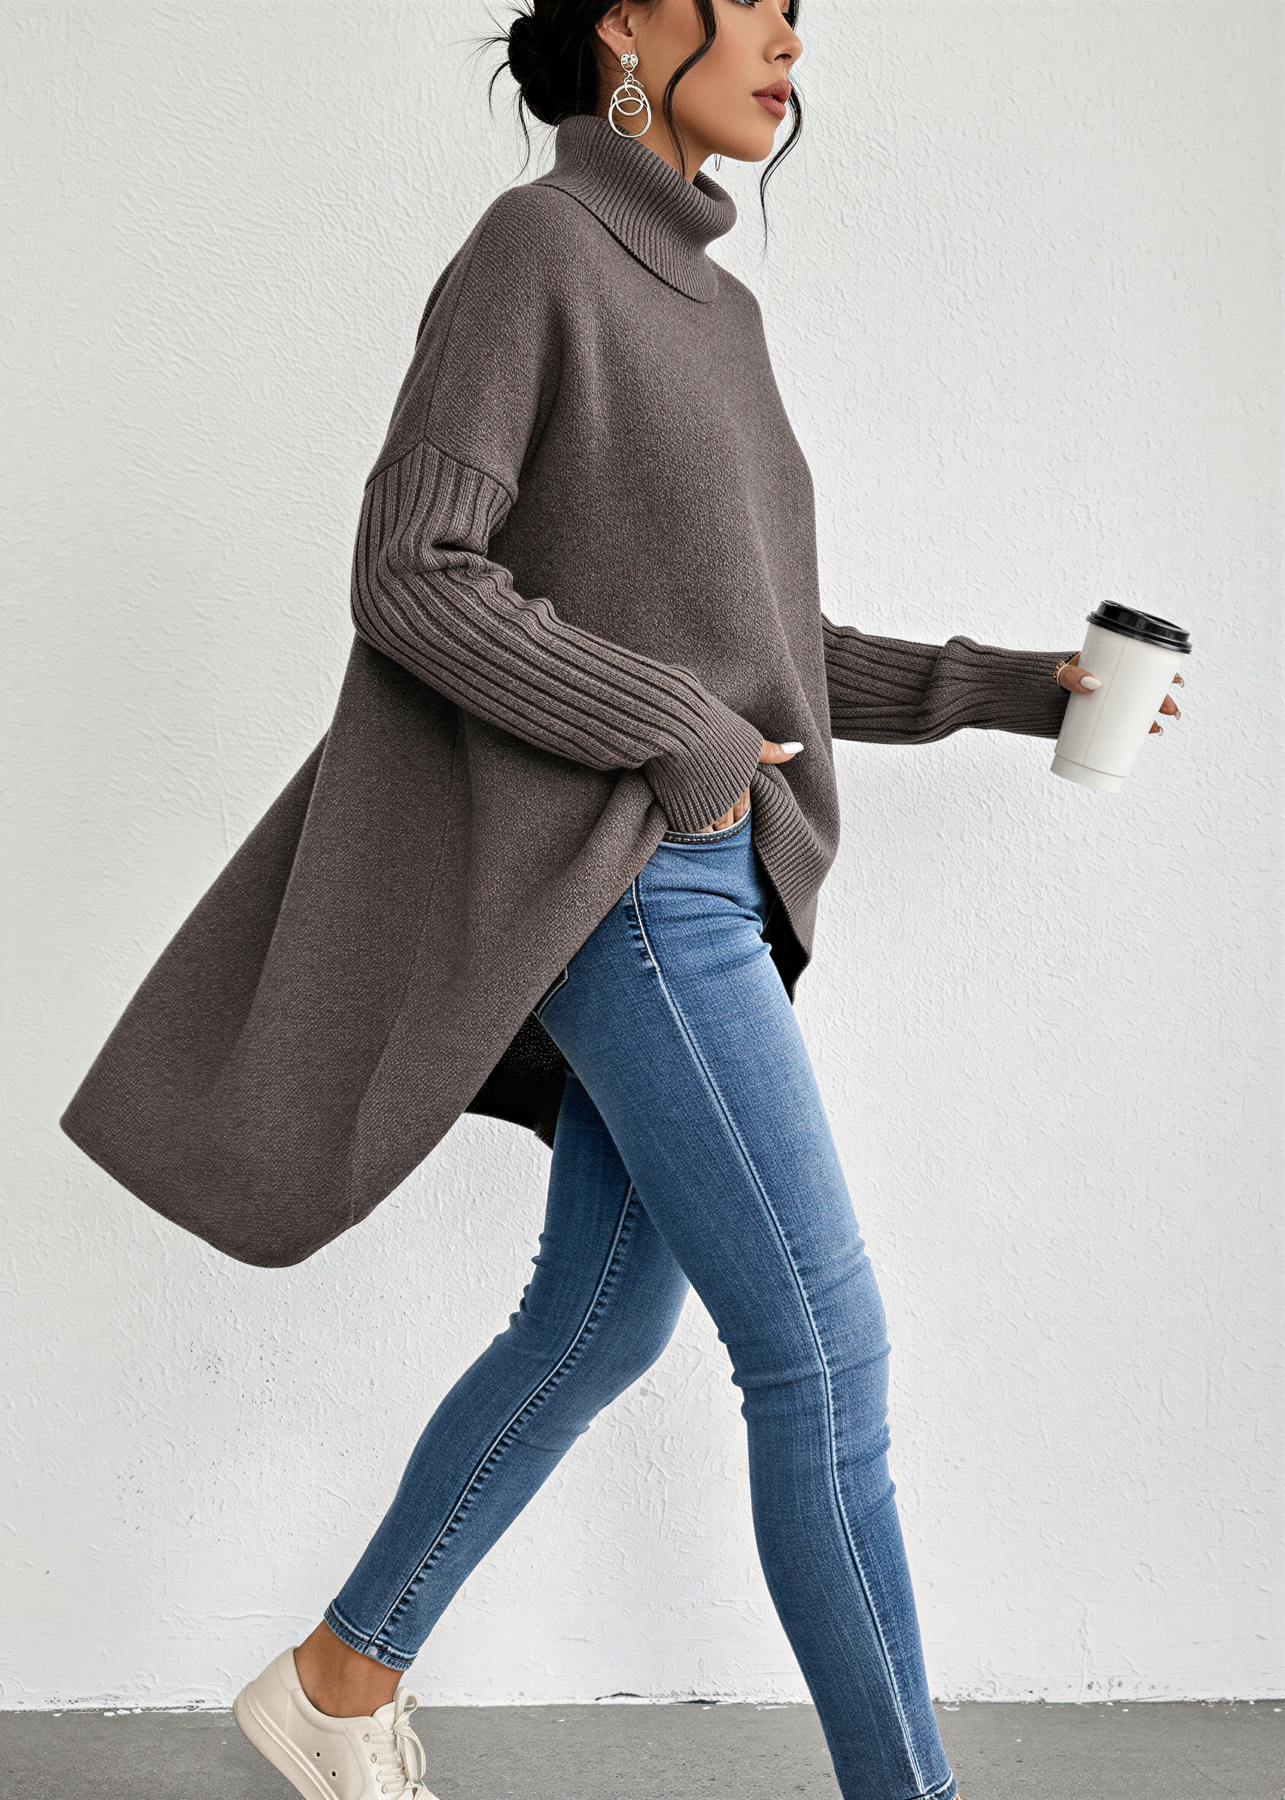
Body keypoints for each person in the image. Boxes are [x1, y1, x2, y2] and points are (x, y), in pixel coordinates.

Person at [73, 4, 1184, 1798]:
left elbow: (764, 651)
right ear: (626, 24)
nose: (786, 37)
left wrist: (1009, 688)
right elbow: (410, 573)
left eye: (800, 11)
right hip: (626, 885)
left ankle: (340, 1680)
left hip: (698, 873)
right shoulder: (536, 251)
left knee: (600, 1319)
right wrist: (674, 731)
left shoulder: (718, 315)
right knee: (821, 1353)